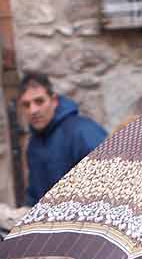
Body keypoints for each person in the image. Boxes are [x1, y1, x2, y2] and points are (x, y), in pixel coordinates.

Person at [18, 71, 107, 205]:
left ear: (54, 101)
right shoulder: (33, 145)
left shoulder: (82, 131)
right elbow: (35, 197)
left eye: (39, 101)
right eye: (26, 105)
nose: (33, 110)